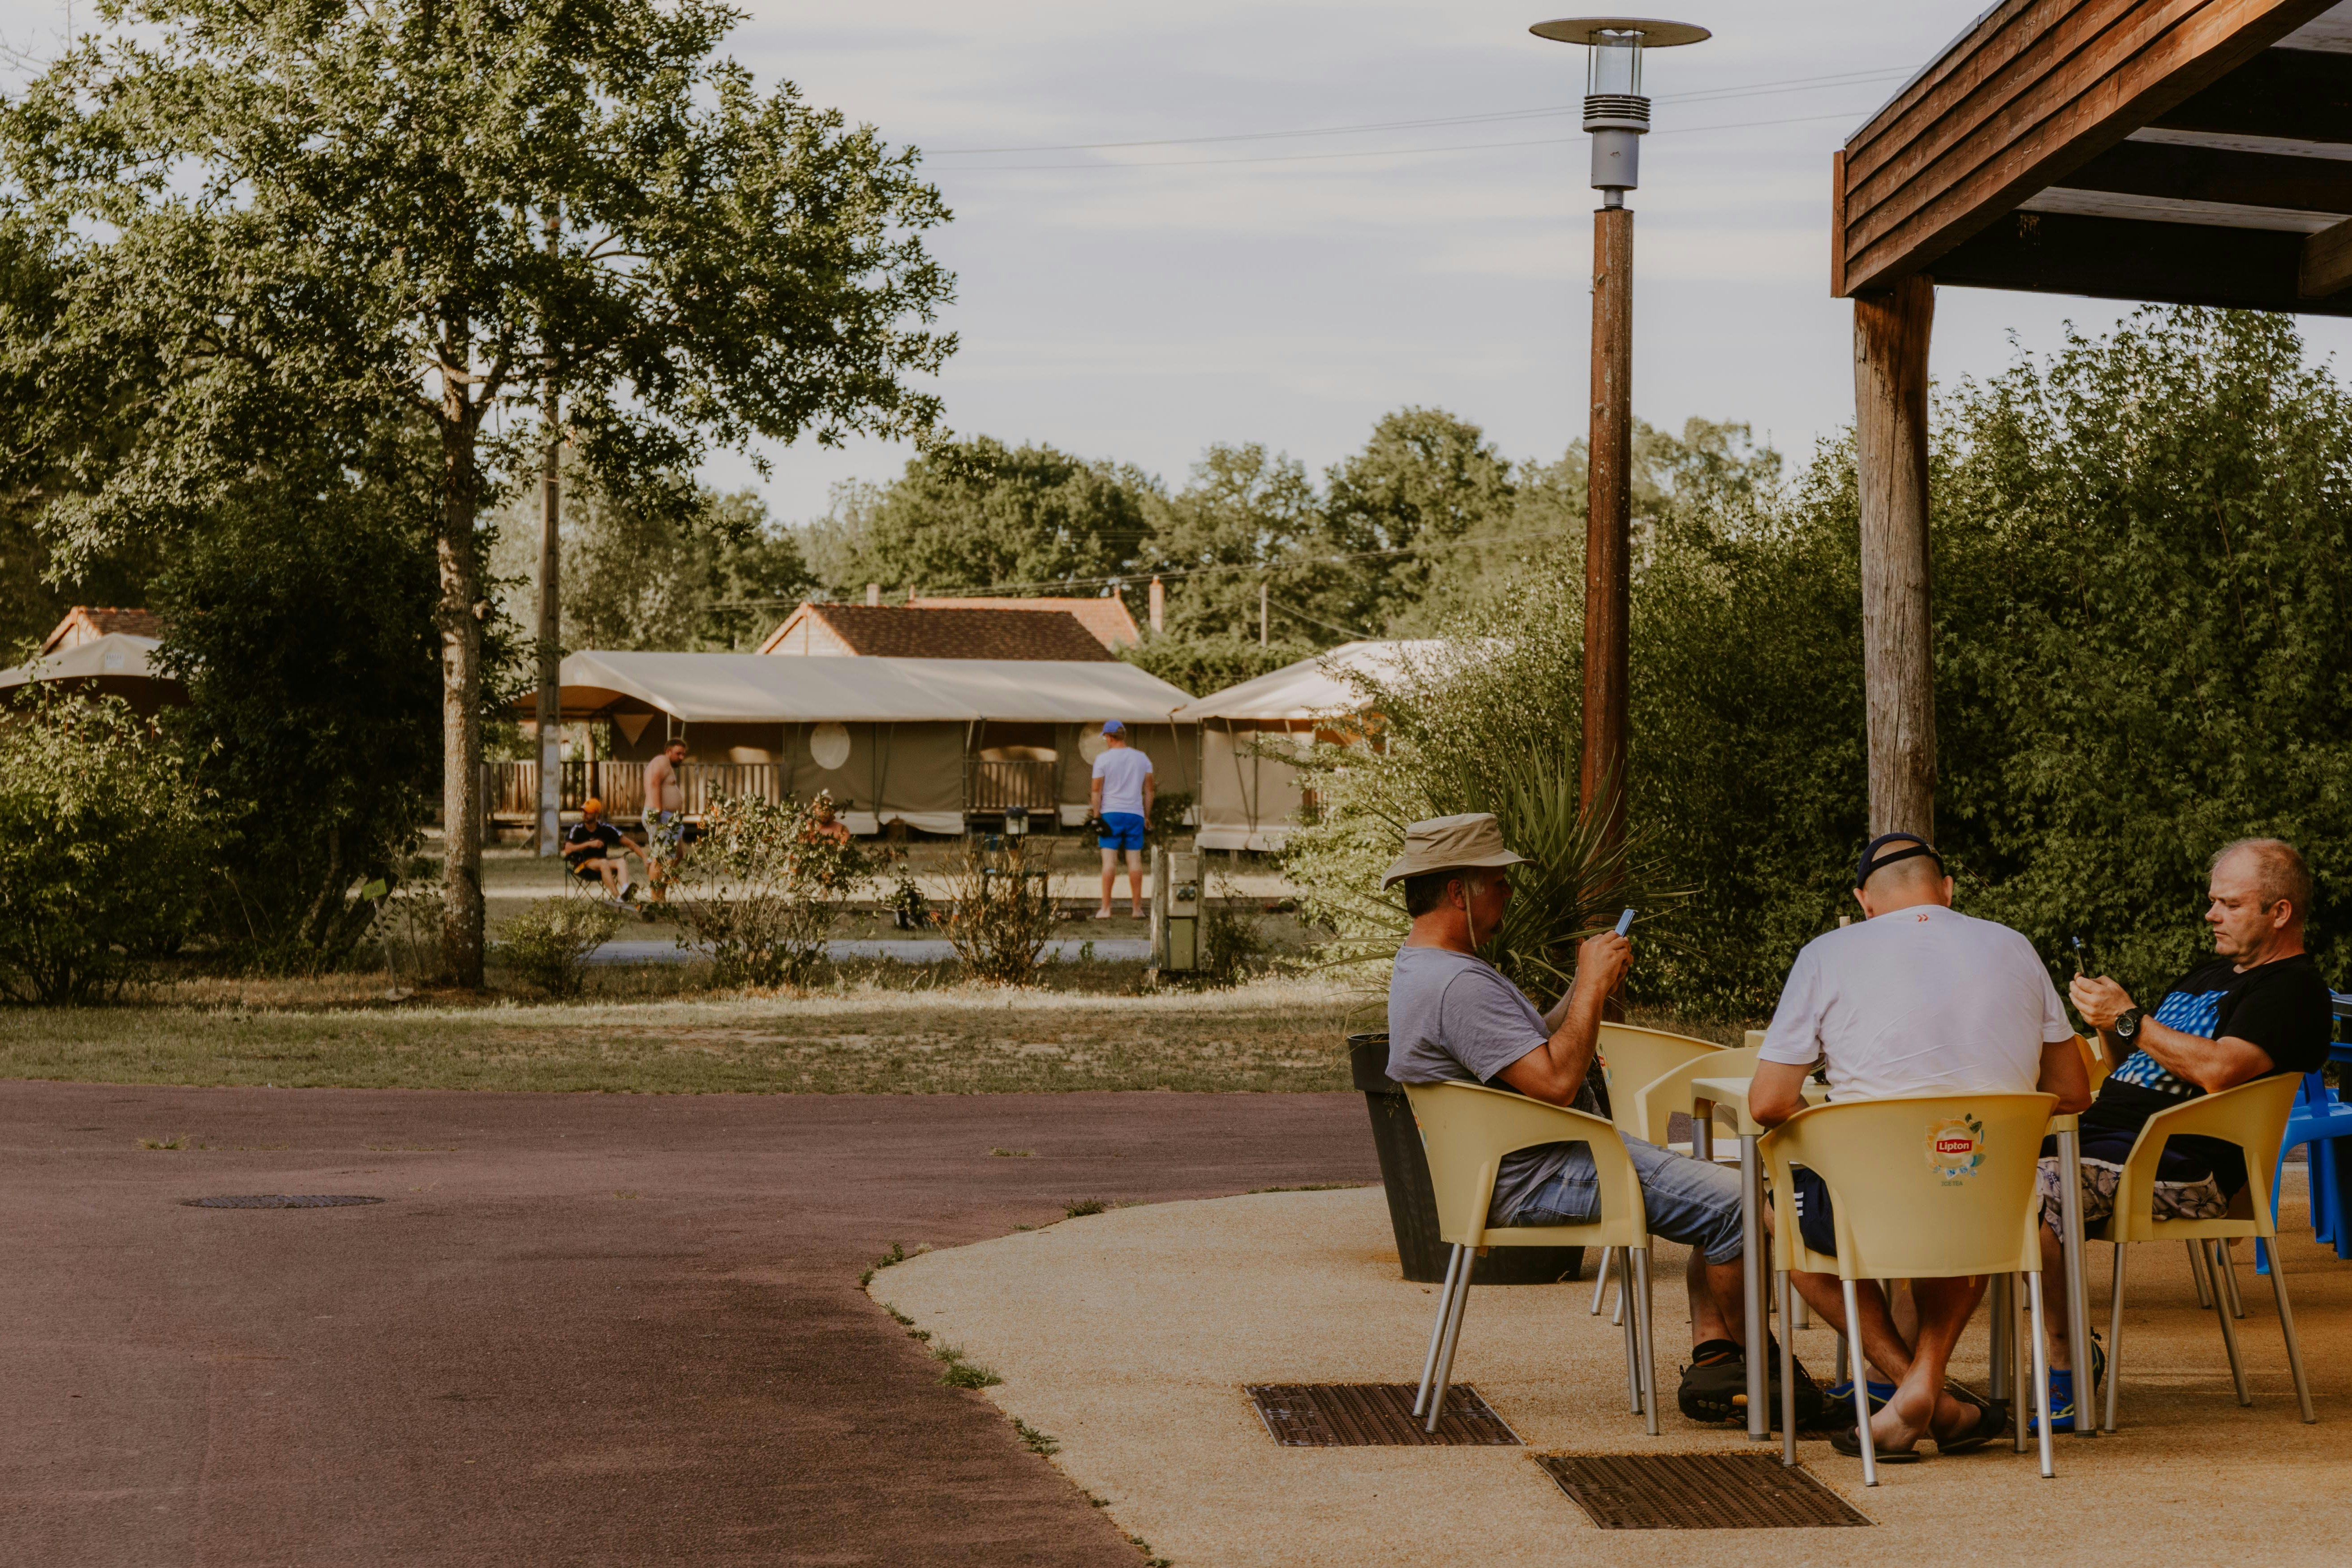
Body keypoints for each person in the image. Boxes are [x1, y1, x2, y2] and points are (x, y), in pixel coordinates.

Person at [1381, 812, 1798, 1424]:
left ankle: (1717, 1362)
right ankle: (1772, 1382)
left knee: (1716, 1191)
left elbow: (1523, 1053)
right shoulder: (1455, 985)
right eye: (1497, 881)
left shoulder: (1426, 969)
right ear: (1457, 892)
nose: (1508, 892)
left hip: (1526, 1162)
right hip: (1541, 1172)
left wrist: (1585, 986)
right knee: (1736, 1201)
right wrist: (1590, 991)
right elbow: (1554, 1081)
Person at [1750, 830, 2090, 1463]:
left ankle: (1911, 1388)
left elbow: (1767, 1103)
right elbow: (2071, 1091)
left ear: (1864, 901)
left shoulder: (1826, 953)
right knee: (1962, 1185)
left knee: (1777, 1217)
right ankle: (1927, 1391)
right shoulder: (2013, 946)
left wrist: (1835, 1137)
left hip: (1870, 1201)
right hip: (1987, 1196)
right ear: (1946, 890)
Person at [2036, 837, 2333, 1430]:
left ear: (2278, 912)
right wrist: (2110, 1025)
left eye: (2227, 904)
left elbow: (2217, 1070)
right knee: (1963, 1172)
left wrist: (2129, 1017)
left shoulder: (2292, 989)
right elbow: (2133, 1069)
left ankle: (2068, 1363)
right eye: (2211, 901)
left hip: (2183, 1163)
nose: (2210, 915)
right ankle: (1903, 1377)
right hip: (2106, 1138)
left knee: (2030, 1187)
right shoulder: (2209, 974)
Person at [1089, 720, 1154, 919]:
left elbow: (1096, 791)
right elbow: (1150, 790)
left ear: (1109, 737)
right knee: (1135, 862)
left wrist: (1096, 817)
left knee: (1109, 862)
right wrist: (1147, 816)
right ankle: (1137, 909)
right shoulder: (1142, 758)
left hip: (1111, 814)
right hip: (1135, 814)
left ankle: (1106, 908)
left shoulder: (1103, 760)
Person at [641, 739, 696, 908]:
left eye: (683, 754)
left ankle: (661, 895)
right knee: (660, 859)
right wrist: (658, 808)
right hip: (661, 816)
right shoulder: (661, 761)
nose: (682, 757)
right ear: (668, 751)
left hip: (671, 817)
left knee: (679, 855)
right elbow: (654, 782)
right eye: (678, 753)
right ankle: (655, 900)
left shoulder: (667, 766)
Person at [561, 798, 643, 903]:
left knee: (621, 862)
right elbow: (568, 850)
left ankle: (625, 890)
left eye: (588, 812)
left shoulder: (605, 829)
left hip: (603, 864)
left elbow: (629, 844)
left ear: (596, 814)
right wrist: (590, 844)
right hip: (584, 866)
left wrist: (645, 858)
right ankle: (618, 898)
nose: (584, 814)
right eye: (583, 811)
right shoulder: (577, 829)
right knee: (604, 863)